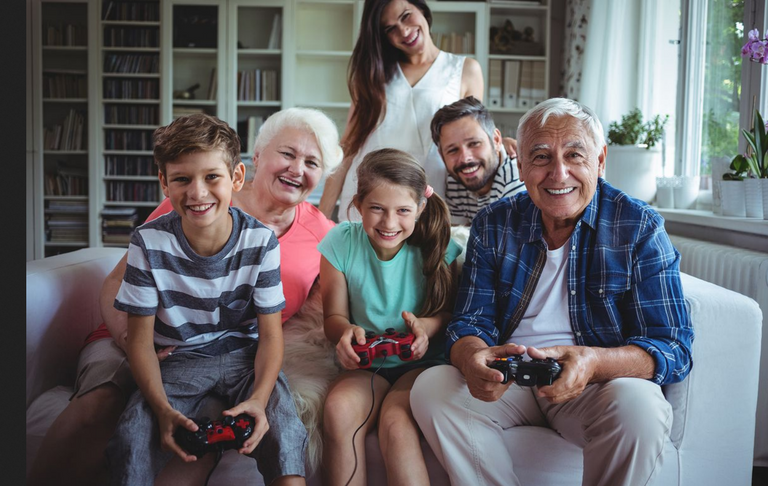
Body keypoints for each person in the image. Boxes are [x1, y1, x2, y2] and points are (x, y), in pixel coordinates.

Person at [27, 107, 343, 486]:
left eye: (312, 161)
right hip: (135, 333)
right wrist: (130, 343)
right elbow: (117, 284)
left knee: (195, 441)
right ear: (255, 158)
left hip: (224, 353)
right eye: (288, 154)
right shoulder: (195, 204)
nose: (297, 168)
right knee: (104, 402)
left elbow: (327, 313)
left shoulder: (327, 237)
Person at [410, 97, 694, 486]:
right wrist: (472, 357)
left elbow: (672, 346)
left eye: (575, 155)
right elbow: (470, 320)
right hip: (508, 378)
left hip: (595, 383)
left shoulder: (639, 226)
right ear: (521, 164)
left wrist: (594, 362)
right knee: (432, 387)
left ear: (600, 160)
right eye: (541, 157)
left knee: (641, 406)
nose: (558, 173)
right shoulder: (494, 222)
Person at [105, 113, 307, 485]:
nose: (197, 193)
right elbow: (140, 340)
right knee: (133, 432)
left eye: (211, 177)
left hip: (244, 359)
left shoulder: (260, 241)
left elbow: (270, 335)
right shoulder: (148, 243)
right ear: (164, 182)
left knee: (285, 430)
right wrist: (162, 408)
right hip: (179, 360)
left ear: (236, 178)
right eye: (182, 179)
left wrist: (260, 399)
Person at [318, 148, 462, 485]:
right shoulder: (340, 243)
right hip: (368, 365)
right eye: (377, 209)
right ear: (357, 205)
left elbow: (451, 313)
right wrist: (346, 333)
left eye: (402, 211)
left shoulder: (439, 246)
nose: (389, 223)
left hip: (424, 365)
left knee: (396, 423)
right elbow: (333, 318)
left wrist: (427, 326)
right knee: (338, 410)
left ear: (420, 209)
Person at [318, 0, 484, 221]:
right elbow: (349, 147)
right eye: (390, 28)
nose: (404, 31)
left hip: (427, 196)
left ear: (422, 10)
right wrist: (319, 218)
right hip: (369, 196)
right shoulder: (373, 74)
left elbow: (475, 138)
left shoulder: (465, 70)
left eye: (406, 16)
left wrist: (504, 145)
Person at [431, 96, 526, 225]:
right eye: (452, 150)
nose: (465, 158)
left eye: (474, 143)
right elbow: (458, 238)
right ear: (442, 156)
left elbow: (509, 242)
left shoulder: (516, 178)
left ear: (496, 140)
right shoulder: (454, 180)